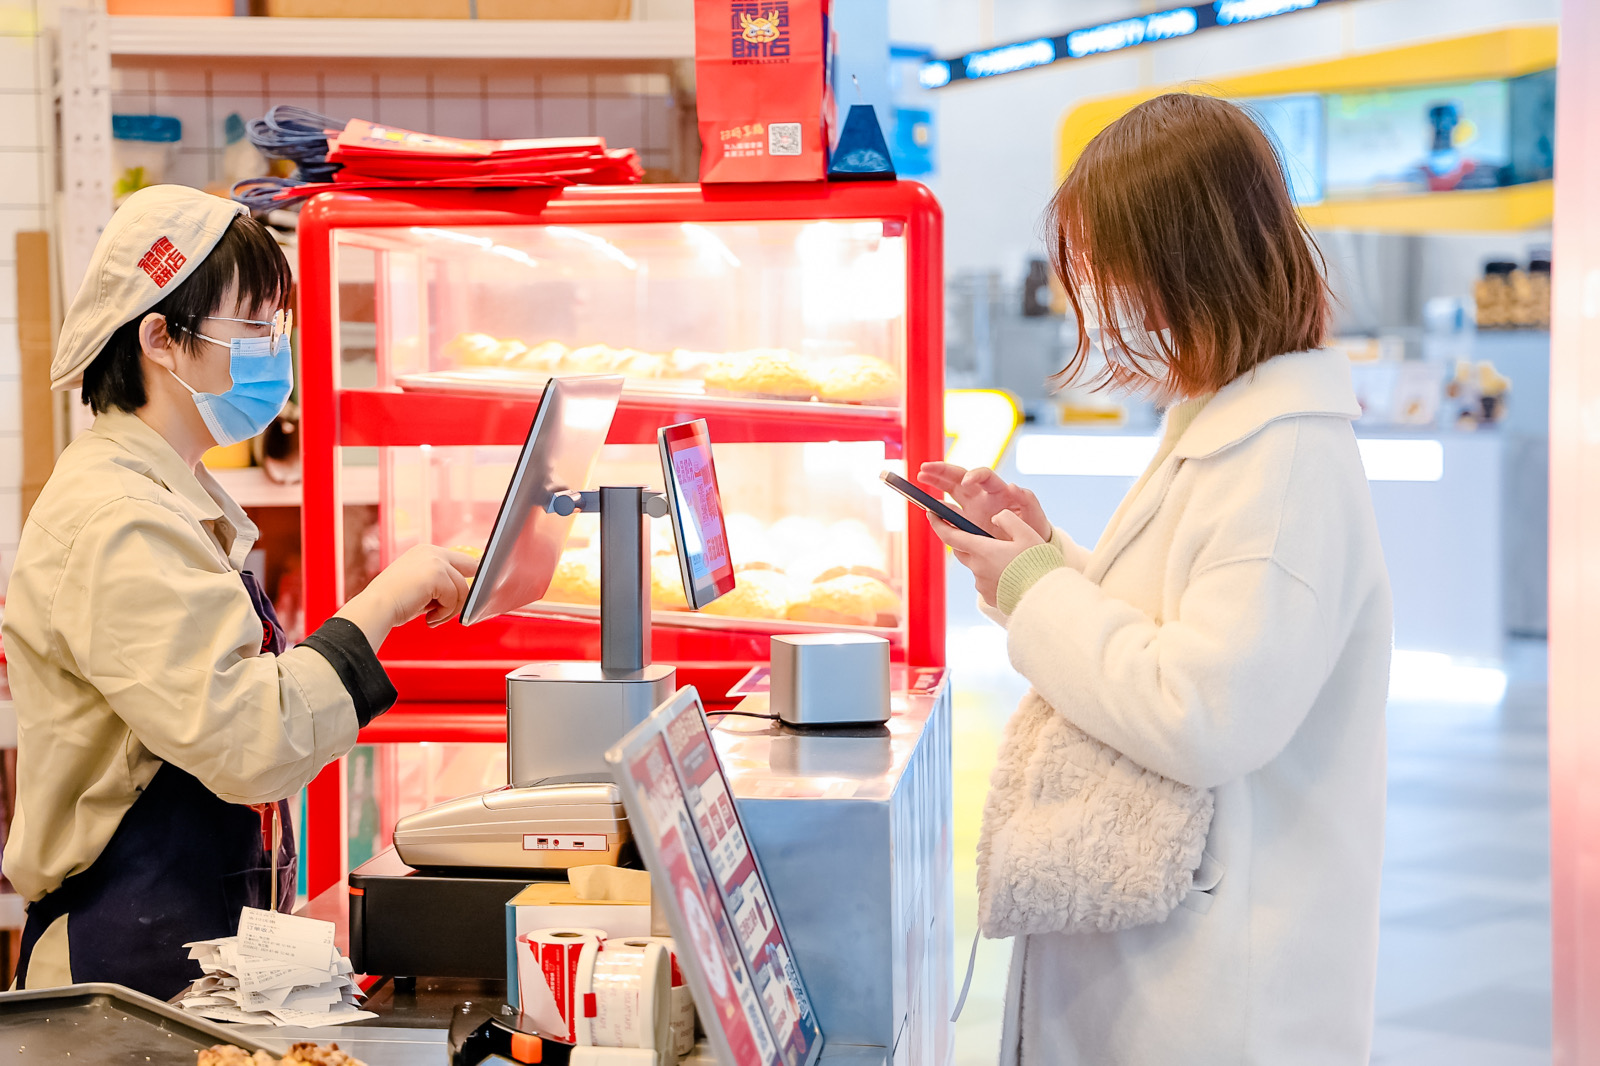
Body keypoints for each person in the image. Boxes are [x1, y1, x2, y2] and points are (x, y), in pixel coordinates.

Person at [926, 94, 1392, 1064]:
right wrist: (1043, 555)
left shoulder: (1283, 463)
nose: (1099, 301)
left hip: (1223, 987)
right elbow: (1180, 626)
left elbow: (1202, 711)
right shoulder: (1233, 429)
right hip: (1181, 955)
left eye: (1110, 267)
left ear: (1184, 264)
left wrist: (1039, 589)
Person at [2, 185, 477, 997]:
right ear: (161, 339)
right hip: (123, 959)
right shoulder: (118, 519)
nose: (273, 352)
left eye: (276, 327)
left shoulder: (162, 492)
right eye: (253, 327)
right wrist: (384, 601)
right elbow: (251, 741)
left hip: (177, 933)